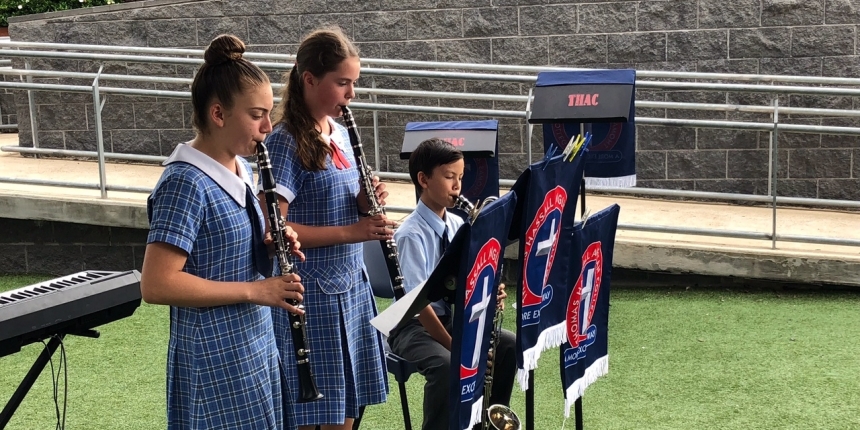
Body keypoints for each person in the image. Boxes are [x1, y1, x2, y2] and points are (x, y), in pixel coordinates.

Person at [140, 34, 304, 430]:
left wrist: (271, 238)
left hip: (253, 343)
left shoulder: (239, 166)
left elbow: (225, 246)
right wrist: (257, 290)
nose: (268, 127)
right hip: (213, 355)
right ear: (218, 114)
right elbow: (157, 284)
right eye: (256, 114)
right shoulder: (185, 181)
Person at [259, 26, 390, 430]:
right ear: (309, 80)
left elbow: (342, 201)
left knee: (348, 411)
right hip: (313, 294)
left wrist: (366, 202)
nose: (351, 94)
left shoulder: (340, 132)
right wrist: (355, 231)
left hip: (351, 286)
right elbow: (273, 226)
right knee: (322, 419)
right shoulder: (284, 141)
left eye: (354, 83)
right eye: (343, 83)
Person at [389, 138, 517, 430]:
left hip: (451, 319)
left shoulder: (459, 225)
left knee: (507, 345)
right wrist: (458, 349)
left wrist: (489, 291)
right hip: (412, 326)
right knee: (449, 366)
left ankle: (484, 423)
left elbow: (470, 279)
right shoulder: (410, 235)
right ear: (423, 179)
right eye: (449, 177)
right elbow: (418, 307)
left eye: (460, 178)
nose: (457, 186)